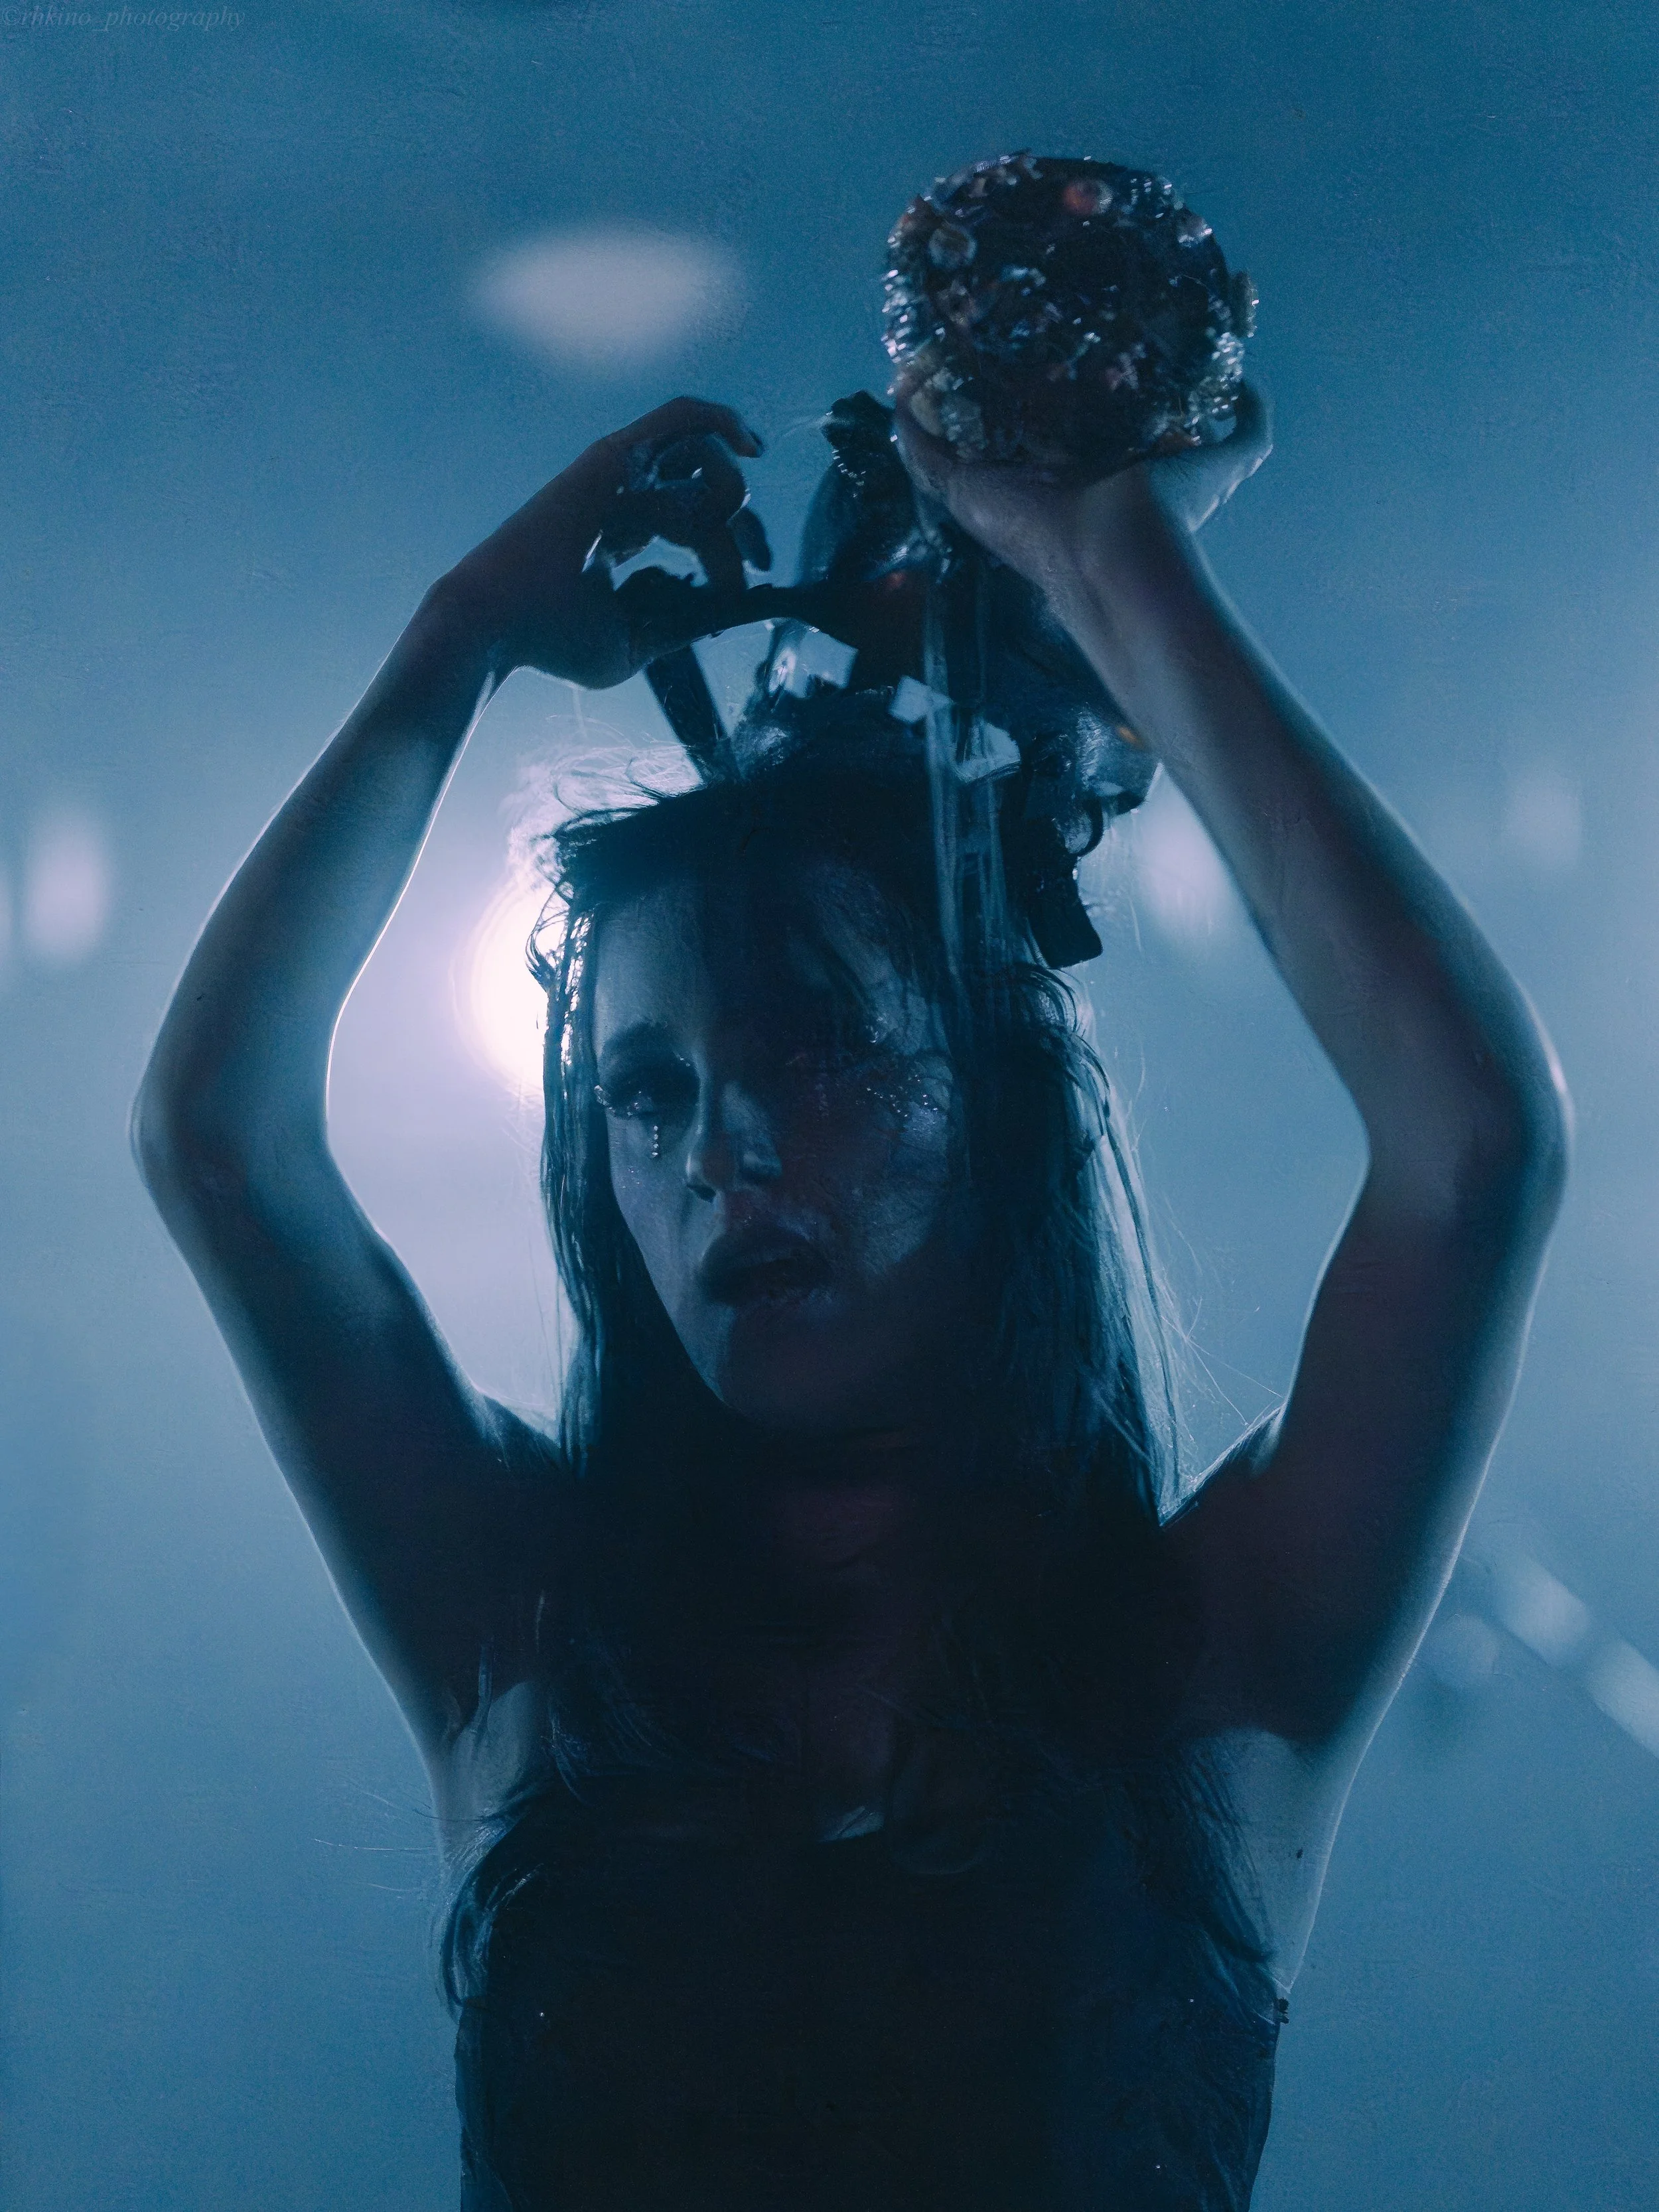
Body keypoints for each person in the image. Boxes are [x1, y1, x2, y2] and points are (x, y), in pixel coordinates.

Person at [133, 385, 1568, 2211]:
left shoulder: (1204, 1651)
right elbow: (219, 1137)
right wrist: (457, 636)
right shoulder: (534, 1629)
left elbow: (1472, 1149)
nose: (723, 1148)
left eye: (813, 1044)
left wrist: (1111, 559)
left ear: (995, 1107)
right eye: (646, 1091)